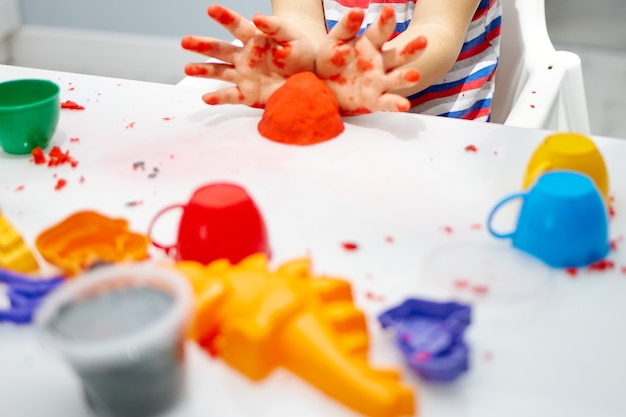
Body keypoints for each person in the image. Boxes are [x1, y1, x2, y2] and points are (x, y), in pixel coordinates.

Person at [182, 0, 501, 121]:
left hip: (433, 138)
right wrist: (302, 63)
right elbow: (299, 18)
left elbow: (437, 29)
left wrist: (369, 73)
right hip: (336, 126)